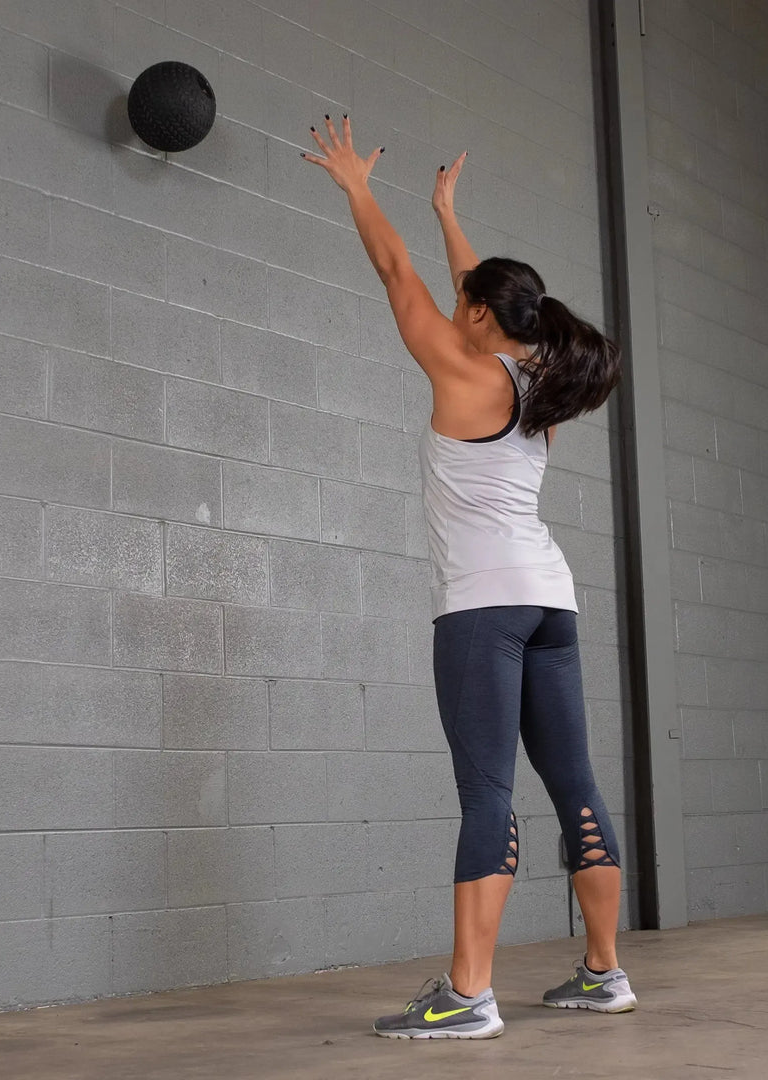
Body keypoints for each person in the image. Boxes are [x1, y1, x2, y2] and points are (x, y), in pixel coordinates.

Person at [302, 117, 634, 1040]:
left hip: (483, 607)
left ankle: (468, 995)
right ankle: (604, 973)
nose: (458, 307)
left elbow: (396, 274)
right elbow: (474, 289)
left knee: (488, 791)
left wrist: (356, 188)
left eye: (468, 302)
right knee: (575, 784)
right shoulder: (545, 383)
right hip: (551, 600)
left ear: (482, 316)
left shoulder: (460, 368)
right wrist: (449, 212)